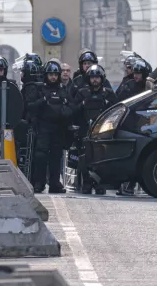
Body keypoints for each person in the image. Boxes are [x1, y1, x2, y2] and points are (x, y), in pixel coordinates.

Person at [74, 65, 118, 194]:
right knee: (84, 158)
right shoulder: (82, 92)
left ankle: (100, 184)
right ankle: (87, 183)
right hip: (85, 130)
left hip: (103, 132)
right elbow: (73, 110)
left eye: (97, 77)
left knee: (102, 159)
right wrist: (82, 104)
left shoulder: (108, 93)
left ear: (102, 78)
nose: (95, 80)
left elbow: (116, 111)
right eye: (92, 77)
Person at [31, 60, 72, 193]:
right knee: (41, 155)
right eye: (51, 74)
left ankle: (54, 183)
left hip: (58, 127)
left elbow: (71, 107)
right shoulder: (40, 89)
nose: (53, 77)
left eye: (55, 74)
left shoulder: (63, 90)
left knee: (56, 156)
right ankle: (39, 182)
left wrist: (65, 112)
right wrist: (43, 101)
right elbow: (31, 106)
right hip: (44, 126)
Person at [116, 59, 150, 196]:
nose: (136, 76)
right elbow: (119, 101)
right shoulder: (128, 85)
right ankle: (125, 184)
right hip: (128, 125)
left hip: (144, 125)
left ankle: (136, 184)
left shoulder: (149, 87)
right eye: (134, 72)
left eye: (139, 73)